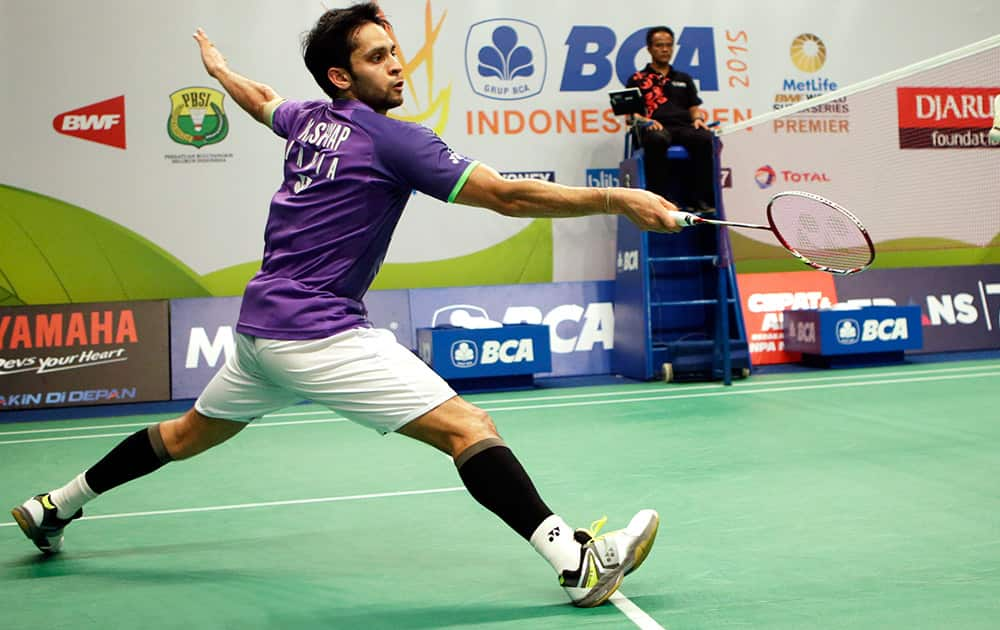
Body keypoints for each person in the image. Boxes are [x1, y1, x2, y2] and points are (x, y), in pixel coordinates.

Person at [10, 2, 679, 608]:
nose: (397, 66)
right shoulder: (397, 141)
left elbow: (262, 99)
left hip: (260, 330)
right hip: (316, 333)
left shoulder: (308, 120)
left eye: (395, 52)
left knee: (185, 434)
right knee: (466, 427)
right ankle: (577, 565)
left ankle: (54, 506)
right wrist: (620, 198)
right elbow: (506, 195)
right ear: (340, 75)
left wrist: (221, 72)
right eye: (377, 57)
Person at [626, 26, 716, 213]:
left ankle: (700, 199)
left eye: (668, 45)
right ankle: (660, 199)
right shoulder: (637, 79)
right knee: (657, 139)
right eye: (659, 45)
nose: (665, 49)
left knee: (704, 138)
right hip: (654, 128)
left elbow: (694, 107)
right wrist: (646, 121)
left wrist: (698, 119)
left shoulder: (684, 78)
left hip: (683, 127)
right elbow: (630, 116)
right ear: (649, 49)